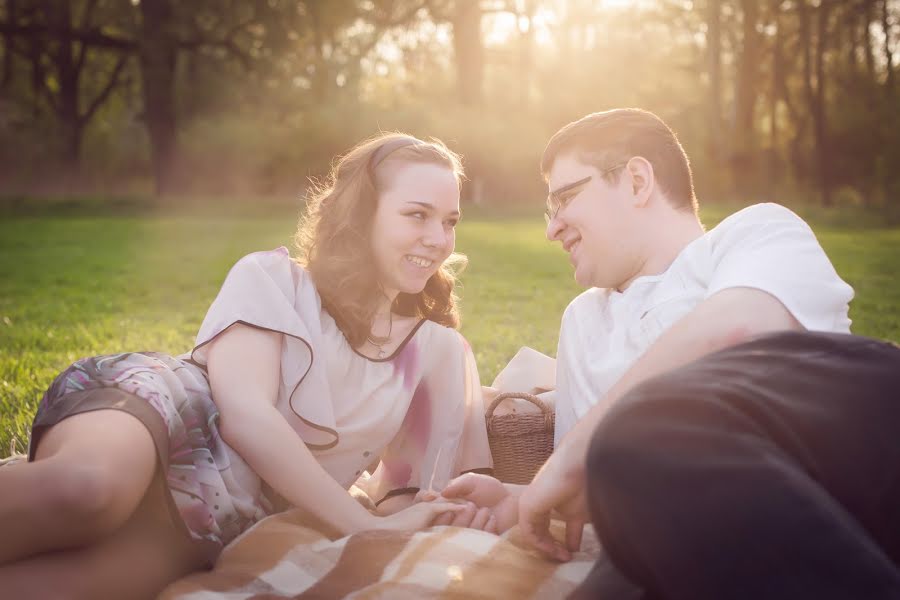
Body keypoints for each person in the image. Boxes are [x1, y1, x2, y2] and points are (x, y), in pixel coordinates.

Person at [0, 133, 494, 599]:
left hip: (223, 515)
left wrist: (417, 516)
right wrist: (362, 525)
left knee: (55, 589)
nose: (437, 238)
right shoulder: (275, 278)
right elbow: (246, 418)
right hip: (166, 415)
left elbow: (407, 494)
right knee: (88, 491)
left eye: (450, 221)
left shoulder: (437, 352)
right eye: (417, 215)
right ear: (363, 216)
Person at [440, 109, 896, 597]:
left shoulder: (755, 233)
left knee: (639, 428)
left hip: (836, 479)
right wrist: (523, 499)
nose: (553, 229)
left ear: (637, 181)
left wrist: (579, 451)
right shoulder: (584, 322)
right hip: (702, 533)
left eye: (565, 199)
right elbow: (600, 486)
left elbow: (738, 332)